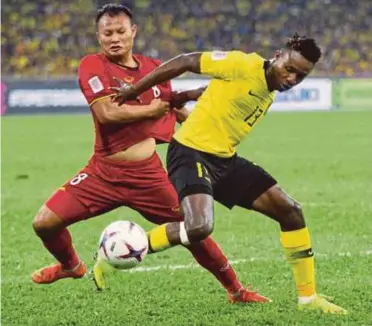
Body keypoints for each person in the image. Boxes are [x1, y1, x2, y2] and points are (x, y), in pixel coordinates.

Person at [31, 3, 269, 304]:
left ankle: (236, 290)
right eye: (107, 33)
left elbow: (172, 105)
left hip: (149, 178)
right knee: (44, 222)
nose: (114, 38)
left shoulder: (153, 67)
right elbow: (106, 113)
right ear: (98, 36)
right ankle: (71, 266)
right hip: (102, 173)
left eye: (120, 31)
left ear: (133, 31)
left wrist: (203, 124)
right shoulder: (92, 65)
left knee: (193, 229)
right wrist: (152, 109)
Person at [111, 33, 348, 314]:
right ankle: (125, 247)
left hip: (224, 160)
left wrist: (187, 95)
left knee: (290, 210)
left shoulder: (268, 88)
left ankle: (308, 299)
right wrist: (134, 91)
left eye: (300, 75)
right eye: (289, 68)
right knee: (199, 227)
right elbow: (187, 61)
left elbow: (221, 90)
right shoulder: (243, 64)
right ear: (277, 55)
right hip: (190, 152)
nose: (292, 79)